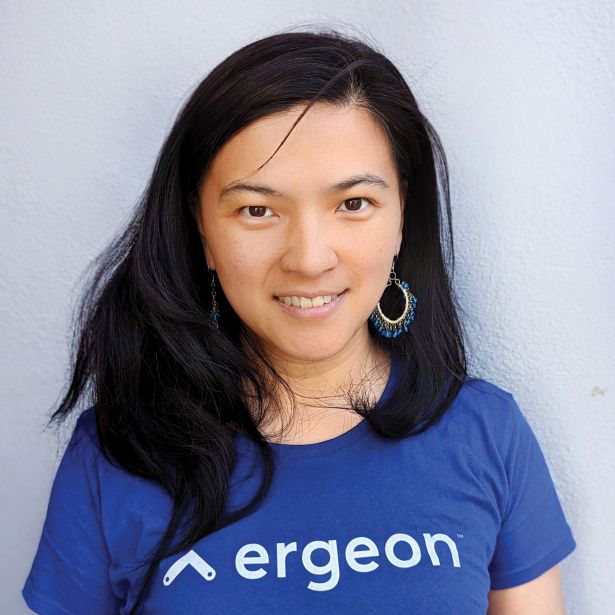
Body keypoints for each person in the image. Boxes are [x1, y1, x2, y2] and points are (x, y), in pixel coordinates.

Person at [22, 29, 576, 614]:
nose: (310, 259)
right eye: (258, 209)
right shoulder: (116, 454)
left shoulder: (487, 434)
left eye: (353, 203)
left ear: (401, 216)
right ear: (202, 228)